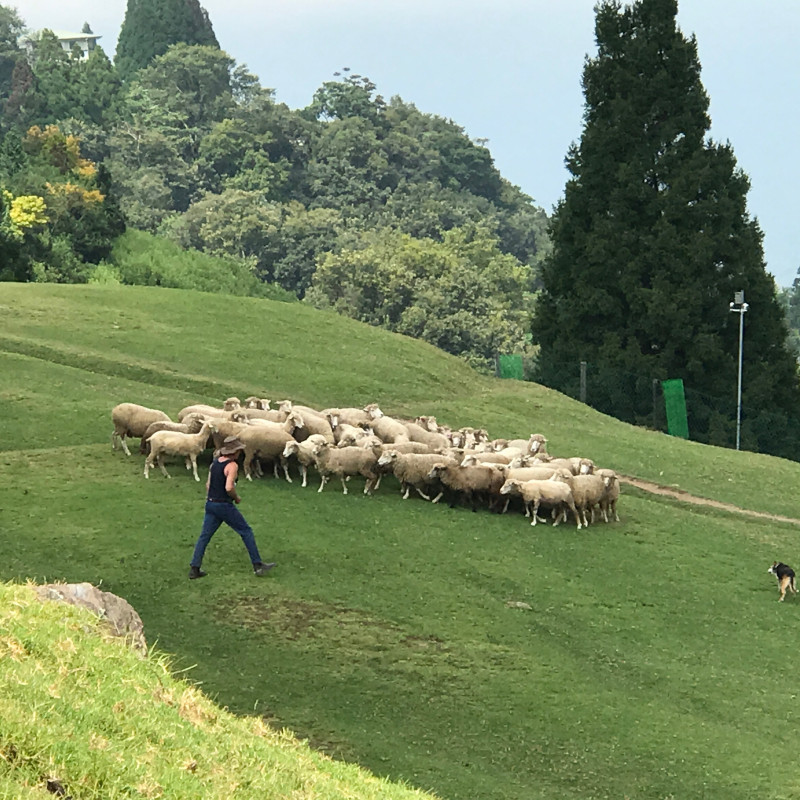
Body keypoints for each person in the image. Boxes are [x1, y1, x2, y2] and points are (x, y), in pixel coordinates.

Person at [188, 436, 276, 579]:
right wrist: (236, 497)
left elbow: (208, 485)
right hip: (224, 505)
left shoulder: (215, 464)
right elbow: (229, 487)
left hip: (211, 503)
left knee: (204, 536)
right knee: (246, 531)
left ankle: (194, 568)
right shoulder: (232, 465)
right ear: (235, 452)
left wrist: (212, 499)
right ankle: (257, 565)